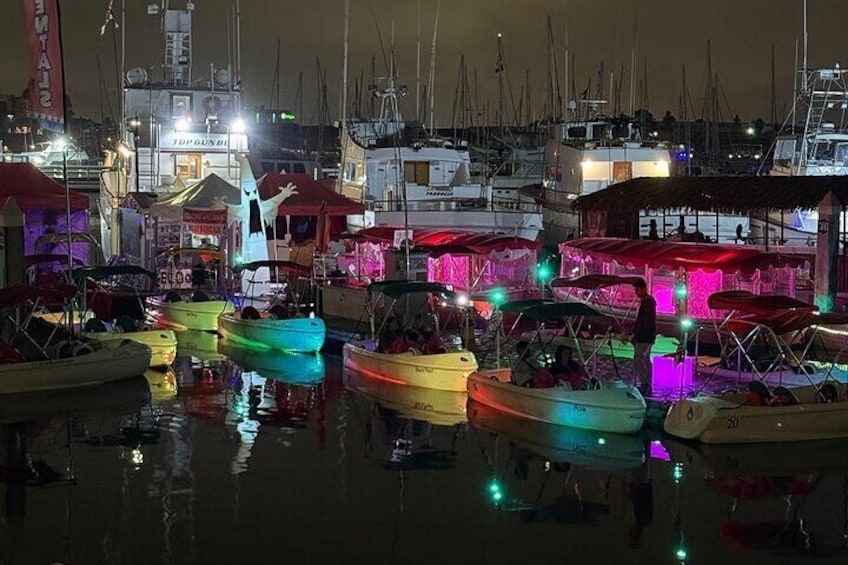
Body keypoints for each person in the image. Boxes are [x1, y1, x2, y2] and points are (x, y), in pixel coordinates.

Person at [631, 278, 656, 396]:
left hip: (644, 336)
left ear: (643, 289)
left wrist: (637, 336)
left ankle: (645, 382)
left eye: (636, 289)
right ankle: (648, 381)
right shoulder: (647, 301)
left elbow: (644, 322)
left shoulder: (647, 302)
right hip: (648, 335)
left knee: (638, 358)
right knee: (645, 358)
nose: (635, 292)